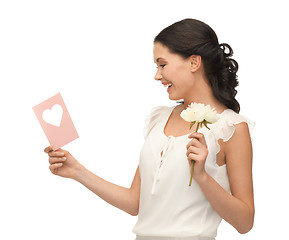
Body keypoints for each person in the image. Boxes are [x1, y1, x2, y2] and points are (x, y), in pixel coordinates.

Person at [44, 18, 255, 240]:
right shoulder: (159, 119)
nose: (157, 75)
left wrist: (202, 176)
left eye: (162, 65)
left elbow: (245, 222)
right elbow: (135, 202)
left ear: (194, 63)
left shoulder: (232, 128)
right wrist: (77, 171)